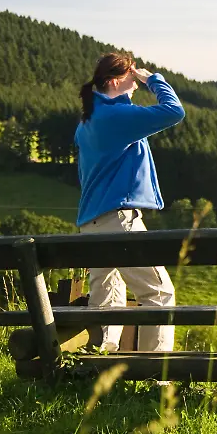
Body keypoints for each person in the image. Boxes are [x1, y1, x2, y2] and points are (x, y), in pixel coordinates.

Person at [75, 51, 185, 352]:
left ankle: (98, 364)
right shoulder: (117, 117)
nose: (135, 82)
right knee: (158, 294)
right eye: (130, 76)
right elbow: (174, 111)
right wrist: (154, 80)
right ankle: (156, 371)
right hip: (119, 220)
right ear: (114, 81)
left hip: (92, 222)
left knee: (106, 301)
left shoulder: (88, 121)